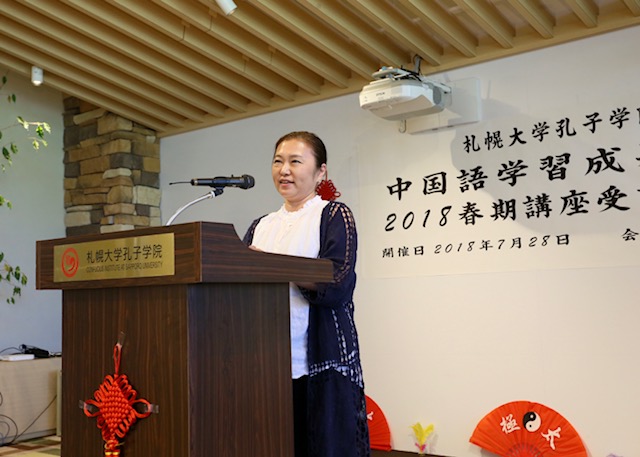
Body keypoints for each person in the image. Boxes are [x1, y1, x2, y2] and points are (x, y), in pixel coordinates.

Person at [243, 131, 370, 457]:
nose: (284, 170)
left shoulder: (333, 215)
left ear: (320, 172)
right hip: (264, 362)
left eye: (295, 161)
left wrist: (271, 265)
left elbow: (337, 282)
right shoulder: (261, 225)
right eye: (278, 161)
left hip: (318, 361)